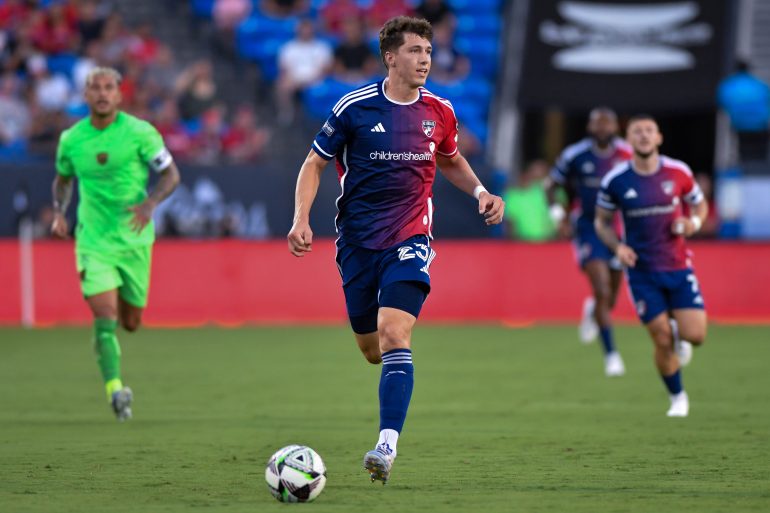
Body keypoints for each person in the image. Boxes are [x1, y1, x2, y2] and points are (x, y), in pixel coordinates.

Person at [287, 16, 504, 484]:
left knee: (393, 333)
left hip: (410, 238)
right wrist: (300, 218)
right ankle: (387, 396)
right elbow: (314, 163)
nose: (425, 59)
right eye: (414, 51)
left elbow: (450, 158)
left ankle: (386, 445)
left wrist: (481, 192)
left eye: (427, 51)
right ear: (391, 58)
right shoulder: (355, 108)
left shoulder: (440, 110)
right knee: (371, 349)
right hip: (358, 244)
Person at [51, 67, 180, 421]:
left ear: (119, 95)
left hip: (135, 239)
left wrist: (151, 203)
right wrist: (61, 212)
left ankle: (114, 347)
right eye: (95, 88)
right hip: (93, 241)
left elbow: (171, 174)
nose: (103, 93)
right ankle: (115, 390)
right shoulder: (72, 139)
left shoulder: (140, 133)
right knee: (104, 315)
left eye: (109, 87)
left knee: (132, 321)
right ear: (86, 95)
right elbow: (62, 181)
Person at [595, 114, 708, 417]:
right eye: (637, 132)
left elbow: (699, 203)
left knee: (696, 336)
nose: (643, 136)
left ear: (659, 138)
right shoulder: (616, 181)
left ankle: (679, 330)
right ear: (628, 140)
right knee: (660, 337)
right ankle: (678, 398)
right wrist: (618, 246)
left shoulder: (678, 172)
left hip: (678, 267)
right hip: (643, 273)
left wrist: (693, 222)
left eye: (649, 131)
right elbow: (601, 222)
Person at [544, 107, 632, 376]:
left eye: (608, 124)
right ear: (590, 128)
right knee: (603, 288)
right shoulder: (575, 155)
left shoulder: (627, 155)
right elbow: (550, 185)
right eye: (598, 124)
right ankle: (612, 356)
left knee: (611, 296)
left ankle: (593, 308)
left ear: (615, 127)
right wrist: (559, 215)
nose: (603, 129)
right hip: (589, 227)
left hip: (620, 229)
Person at [717, 60, 770, 162]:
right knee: (760, 154)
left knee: (744, 152)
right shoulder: (759, 84)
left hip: (740, 125)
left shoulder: (728, 86)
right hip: (760, 125)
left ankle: (746, 167)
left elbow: (722, 103)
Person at [504, 160, 555, 242]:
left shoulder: (542, 190)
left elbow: (555, 205)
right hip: (522, 242)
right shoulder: (512, 195)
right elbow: (510, 223)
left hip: (548, 241)